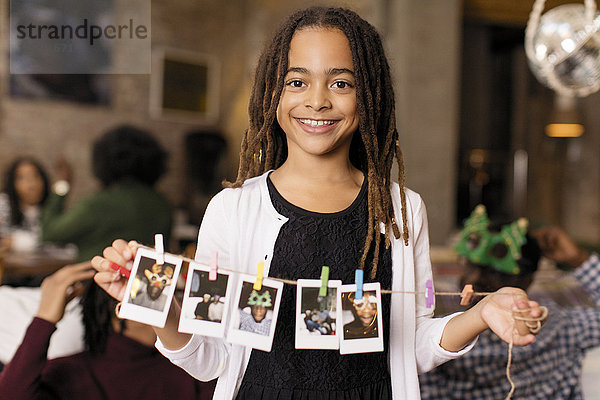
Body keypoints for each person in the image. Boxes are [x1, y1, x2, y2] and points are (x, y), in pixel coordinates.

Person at [91, 7, 546, 399]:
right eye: (296, 81)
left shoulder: (403, 209)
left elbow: (412, 344)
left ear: (369, 96)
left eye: (342, 83)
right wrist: (161, 308)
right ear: (273, 93)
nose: (317, 101)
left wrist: (482, 313)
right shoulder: (233, 209)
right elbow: (210, 358)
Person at [419, 222, 600, 400]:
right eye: (471, 266)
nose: (474, 278)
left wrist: (577, 259)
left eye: (494, 273)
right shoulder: (438, 335)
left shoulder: (560, 326)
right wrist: (578, 260)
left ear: (527, 281)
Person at [0, 263, 215, 399]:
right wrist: (44, 318)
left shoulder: (195, 364)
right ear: (117, 307)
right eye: (155, 290)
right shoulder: (71, 372)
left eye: (176, 291)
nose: (175, 302)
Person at [41, 125, 173, 262]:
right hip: (146, 280)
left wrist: (62, 184)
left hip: (98, 279)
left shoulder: (99, 204)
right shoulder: (163, 204)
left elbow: (50, 233)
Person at [0, 157, 50, 252]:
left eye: (35, 176)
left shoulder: (51, 206)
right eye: (22, 178)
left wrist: (16, 242)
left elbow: (57, 240)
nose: (31, 184)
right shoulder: (3, 204)